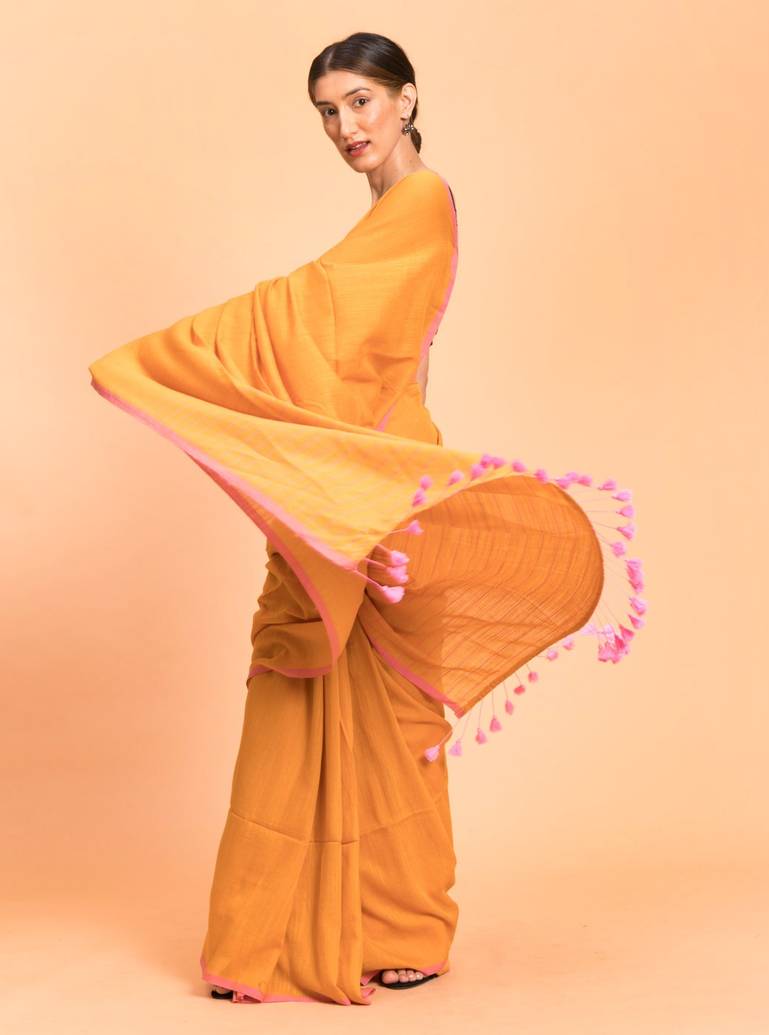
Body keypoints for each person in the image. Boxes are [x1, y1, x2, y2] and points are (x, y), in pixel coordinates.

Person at [88, 31, 643, 1007]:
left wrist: (186, 354)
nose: (345, 126)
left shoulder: (420, 204)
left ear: (405, 99)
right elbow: (369, 350)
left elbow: (316, 318)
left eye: (359, 102)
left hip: (384, 487)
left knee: (389, 715)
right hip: (362, 478)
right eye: (327, 112)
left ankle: (397, 924)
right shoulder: (384, 217)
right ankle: (287, 928)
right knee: (311, 689)